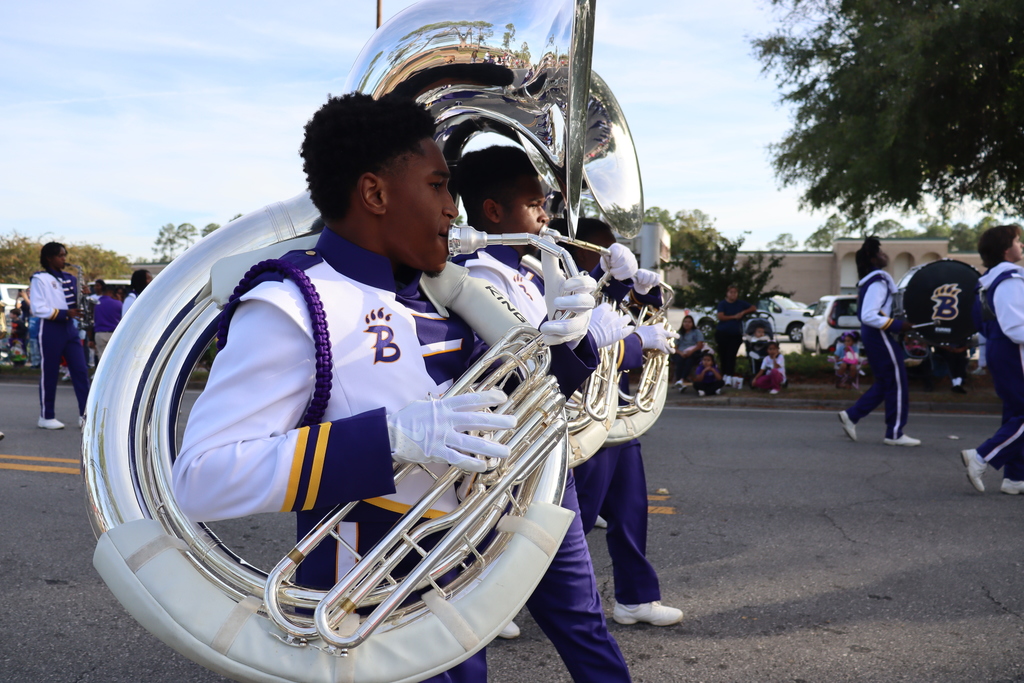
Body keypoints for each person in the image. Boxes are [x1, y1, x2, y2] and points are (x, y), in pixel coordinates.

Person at [174, 94, 609, 683]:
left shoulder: (435, 292)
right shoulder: (293, 304)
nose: (453, 210)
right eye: (437, 186)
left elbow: (505, 408)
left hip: (454, 578)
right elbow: (202, 477)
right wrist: (391, 440)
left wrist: (562, 339)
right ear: (376, 194)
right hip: (365, 599)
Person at [452, 146, 633, 680]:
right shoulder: (469, 276)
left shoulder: (533, 270)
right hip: (485, 478)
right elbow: (508, 380)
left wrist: (615, 281)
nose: (547, 215)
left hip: (549, 468)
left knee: (581, 615)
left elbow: (581, 333)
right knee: (463, 629)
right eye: (535, 204)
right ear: (492, 212)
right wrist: (578, 338)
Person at [557, 216, 684, 628]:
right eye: (603, 251)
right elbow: (585, 341)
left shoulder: (597, 282)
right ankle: (502, 597)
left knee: (631, 510)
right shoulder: (557, 278)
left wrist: (641, 295)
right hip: (580, 414)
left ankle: (636, 597)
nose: (611, 257)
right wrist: (637, 344)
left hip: (610, 408)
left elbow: (620, 317)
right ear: (582, 251)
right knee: (572, 523)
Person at [837, 237, 920, 446]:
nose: (885, 256)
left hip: (874, 335)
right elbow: (868, 315)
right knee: (898, 382)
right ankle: (894, 433)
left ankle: (852, 415)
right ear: (874, 259)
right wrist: (898, 325)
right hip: (879, 334)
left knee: (886, 382)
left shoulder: (872, 281)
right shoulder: (878, 282)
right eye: (881, 253)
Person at [961, 224, 1024, 494]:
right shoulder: (1010, 278)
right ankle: (981, 456)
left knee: (1015, 413)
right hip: (1013, 351)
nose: (1021, 246)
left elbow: (981, 322)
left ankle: (1015, 478)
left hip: (1001, 349)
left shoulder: (986, 282)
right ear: (1005, 249)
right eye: (1018, 241)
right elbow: (1015, 327)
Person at [29, 242, 90, 430]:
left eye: (64, 255)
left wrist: (86, 294)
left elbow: (76, 302)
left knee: (81, 371)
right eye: (61, 255)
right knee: (50, 372)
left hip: (69, 329)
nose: (64, 258)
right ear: (49, 257)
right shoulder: (40, 279)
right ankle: (46, 417)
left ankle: (86, 416)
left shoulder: (70, 278)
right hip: (50, 328)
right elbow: (37, 308)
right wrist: (65, 313)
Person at [715, 284, 755, 389]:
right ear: (727, 293)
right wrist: (734, 316)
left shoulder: (740, 303)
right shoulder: (722, 304)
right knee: (723, 355)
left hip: (735, 334)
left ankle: (730, 375)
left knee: (731, 355)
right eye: (731, 292)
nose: (733, 294)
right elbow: (721, 316)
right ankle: (724, 375)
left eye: (735, 292)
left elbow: (753, 308)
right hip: (723, 333)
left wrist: (743, 312)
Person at [91, 282, 123, 362]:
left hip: (99, 334)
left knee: (102, 360)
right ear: (111, 292)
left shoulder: (95, 303)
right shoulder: (118, 303)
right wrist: (119, 301)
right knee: (115, 358)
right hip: (114, 334)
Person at [673, 314, 705, 391]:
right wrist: (681, 353)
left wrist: (690, 352)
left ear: (692, 323)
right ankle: (679, 382)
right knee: (679, 361)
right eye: (685, 322)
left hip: (693, 352)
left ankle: (682, 379)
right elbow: (675, 348)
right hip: (681, 352)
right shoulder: (679, 333)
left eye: (689, 322)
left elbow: (699, 345)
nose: (687, 324)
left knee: (689, 361)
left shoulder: (696, 332)